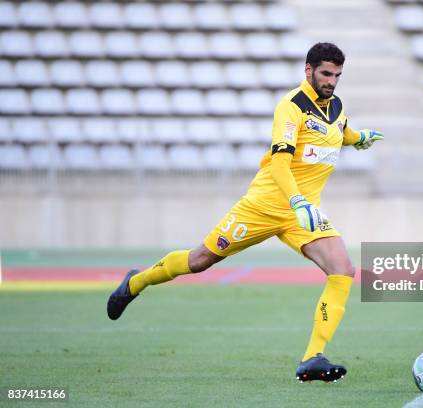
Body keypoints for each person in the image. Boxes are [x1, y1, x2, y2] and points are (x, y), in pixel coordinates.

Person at [107, 42, 384, 383]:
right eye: (326, 74)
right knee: (200, 261)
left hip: (303, 214)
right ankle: (136, 281)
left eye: (337, 75)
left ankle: (313, 357)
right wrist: (297, 201)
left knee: (342, 269)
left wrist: (358, 138)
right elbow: (281, 161)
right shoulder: (291, 106)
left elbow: (339, 132)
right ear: (308, 70)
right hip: (264, 206)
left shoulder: (336, 106)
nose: (332, 81)